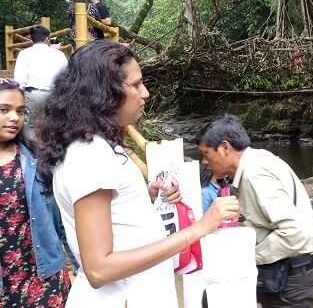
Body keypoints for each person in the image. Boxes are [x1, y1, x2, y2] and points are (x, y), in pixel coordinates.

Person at [36, 41, 240, 307]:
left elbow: (113, 222)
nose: (145, 93)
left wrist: (149, 195)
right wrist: (199, 229)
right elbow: (99, 269)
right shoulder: (89, 155)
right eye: (135, 85)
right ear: (104, 92)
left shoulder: (97, 147)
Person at [197, 115, 313, 308]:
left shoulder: (255, 174)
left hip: (295, 274)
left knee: (214, 297)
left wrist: (247, 257)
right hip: (288, 269)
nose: (204, 162)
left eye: (206, 154)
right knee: (213, 297)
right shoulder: (258, 159)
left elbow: (294, 232)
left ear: (225, 148)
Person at [0, 78, 72, 307]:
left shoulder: (36, 158)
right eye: (4, 110)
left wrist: (82, 265)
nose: (14, 118)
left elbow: (63, 216)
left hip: (44, 276)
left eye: (20, 111)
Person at [12, 25, 68, 136]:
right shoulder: (59, 54)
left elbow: (19, 79)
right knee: (53, 124)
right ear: (47, 38)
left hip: (33, 95)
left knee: (30, 126)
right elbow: (66, 76)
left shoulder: (24, 54)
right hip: (54, 95)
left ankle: (31, 150)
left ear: (31, 38)